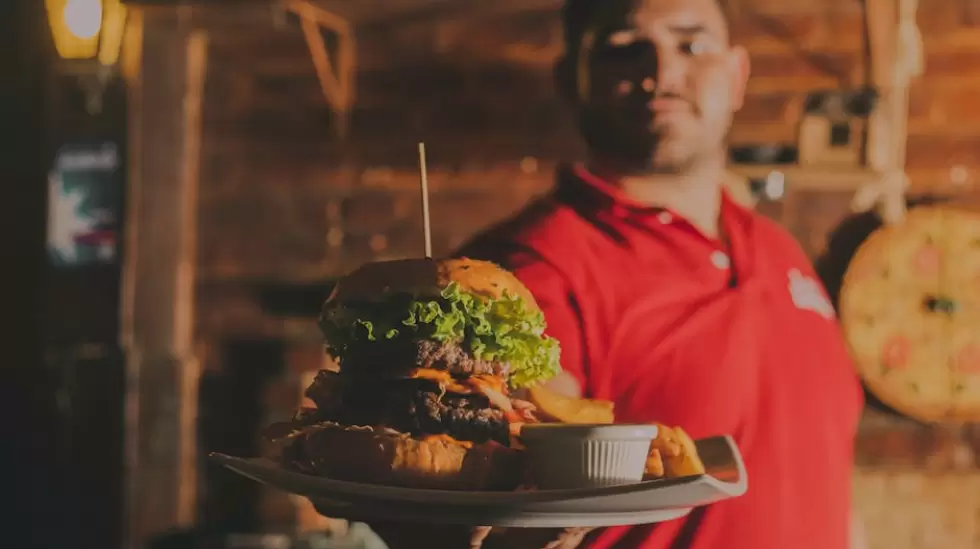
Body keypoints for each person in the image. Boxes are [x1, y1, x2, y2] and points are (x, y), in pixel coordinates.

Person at [451, 0, 866, 548]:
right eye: (624, 49)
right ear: (571, 79)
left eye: (691, 45)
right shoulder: (531, 264)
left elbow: (828, 477)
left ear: (737, 76)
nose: (663, 73)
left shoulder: (779, 250)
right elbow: (515, 519)